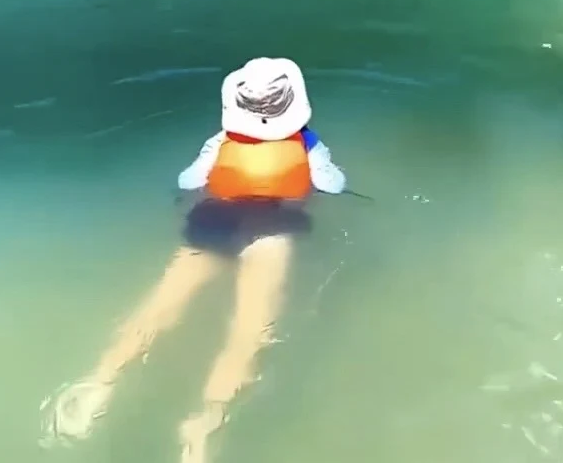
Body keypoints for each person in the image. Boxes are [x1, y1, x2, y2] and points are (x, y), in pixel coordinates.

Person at [46, 57, 346, 463]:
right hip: (271, 232)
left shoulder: (222, 141)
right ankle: (205, 420)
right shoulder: (307, 143)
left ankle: (101, 382)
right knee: (250, 331)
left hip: (213, 222)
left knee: (160, 305)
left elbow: (190, 180)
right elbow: (332, 184)